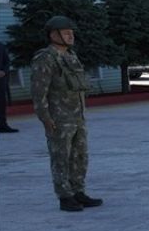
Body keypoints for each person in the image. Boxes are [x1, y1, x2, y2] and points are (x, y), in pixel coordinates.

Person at [30, 16, 102, 212]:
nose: (71, 36)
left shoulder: (71, 56)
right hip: (58, 119)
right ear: (54, 34)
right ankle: (65, 196)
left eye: (72, 33)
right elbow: (39, 92)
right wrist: (45, 119)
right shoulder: (45, 58)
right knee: (61, 157)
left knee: (80, 156)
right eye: (66, 33)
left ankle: (78, 191)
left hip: (77, 117)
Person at [0, 40, 16, 133]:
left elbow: (7, 61)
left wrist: (4, 71)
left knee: (1, 103)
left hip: (0, 80)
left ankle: (2, 126)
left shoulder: (0, 45)